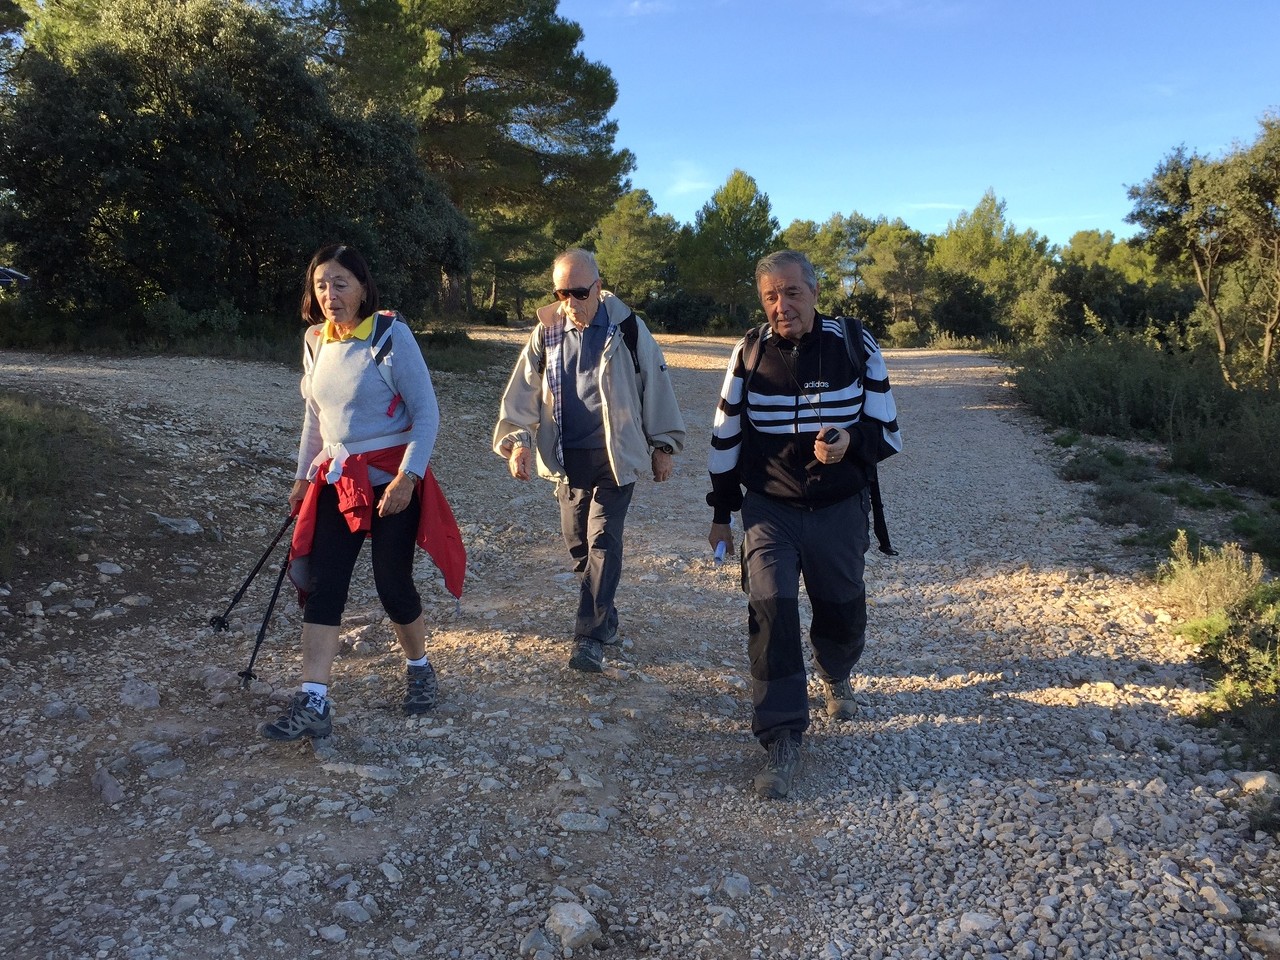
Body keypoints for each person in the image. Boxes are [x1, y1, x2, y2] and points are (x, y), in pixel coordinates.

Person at [706, 250, 902, 799]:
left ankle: (837, 671)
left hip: (839, 509)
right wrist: (721, 514)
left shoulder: (854, 345)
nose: (781, 306)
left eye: (792, 293)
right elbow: (725, 437)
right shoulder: (748, 353)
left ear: (815, 292)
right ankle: (781, 737)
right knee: (771, 610)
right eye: (770, 296)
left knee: (840, 603)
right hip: (768, 509)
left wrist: (848, 443)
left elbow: (888, 433)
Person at [260, 243, 445, 741]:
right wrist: (302, 479)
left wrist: (410, 477)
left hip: (391, 479)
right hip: (338, 477)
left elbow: (426, 413)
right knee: (324, 583)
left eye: (340, 283)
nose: (329, 294)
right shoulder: (315, 340)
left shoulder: (390, 336)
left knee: (392, 585)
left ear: (363, 288)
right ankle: (314, 700)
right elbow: (315, 417)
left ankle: (420, 667)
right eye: (321, 284)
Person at [493, 248, 685, 673]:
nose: (570, 302)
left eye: (579, 292)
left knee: (602, 540)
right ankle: (606, 614)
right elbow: (523, 390)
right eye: (562, 292)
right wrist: (520, 441)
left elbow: (656, 386)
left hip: (617, 457)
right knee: (578, 544)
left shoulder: (629, 329)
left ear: (598, 287)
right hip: (566, 457)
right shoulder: (546, 331)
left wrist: (664, 445)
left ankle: (589, 637)